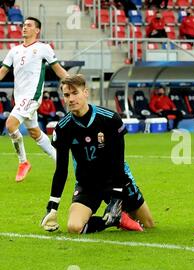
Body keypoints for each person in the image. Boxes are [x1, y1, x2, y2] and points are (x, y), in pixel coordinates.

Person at [40, 74, 155, 234]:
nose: (71, 99)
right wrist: (52, 207)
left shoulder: (110, 119)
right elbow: (61, 170)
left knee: (148, 225)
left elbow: (118, 161)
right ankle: (114, 220)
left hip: (116, 179)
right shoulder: (63, 128)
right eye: (67, 95)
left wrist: (116, 199)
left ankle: (118, 213)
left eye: (75, 93)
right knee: (74, 227)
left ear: (85, 93)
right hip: (87, 185)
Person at [0, 17, 69, 182]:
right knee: (35, 133)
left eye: (29, 25)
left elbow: (59, 70)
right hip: (20, 98)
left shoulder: (43, 48)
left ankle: (23, 162)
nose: (24, 27)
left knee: (10, 125)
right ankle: (61, 161)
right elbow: (2, 71)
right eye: (23, 25)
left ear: (37, 30)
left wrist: (74, 84)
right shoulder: (14, 51)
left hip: (33, 97)